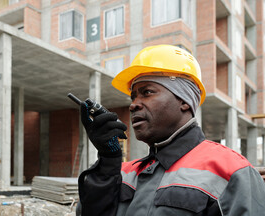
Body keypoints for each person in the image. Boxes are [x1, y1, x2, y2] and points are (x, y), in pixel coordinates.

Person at [77, 45, 265, 215]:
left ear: (184, 100)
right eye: (133, 97)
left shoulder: (231, 171)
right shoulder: (125, 172)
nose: (133, 105)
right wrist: (108, 161)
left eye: (147, 92)